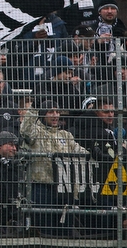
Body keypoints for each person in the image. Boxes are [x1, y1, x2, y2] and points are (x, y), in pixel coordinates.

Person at [20, 100, 89, 237]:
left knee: (65, 230)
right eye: (51, 111)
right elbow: (25, 130)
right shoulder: (36, 133)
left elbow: (81, 152)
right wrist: (33, 109)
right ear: (43, 114)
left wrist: (93, 155)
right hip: (41, 187)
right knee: (45, 229)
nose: (55, 115)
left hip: (64, 189)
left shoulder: (65, 135)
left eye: (57, 111)